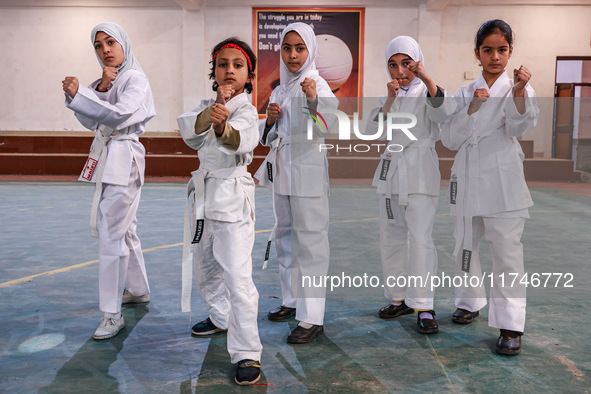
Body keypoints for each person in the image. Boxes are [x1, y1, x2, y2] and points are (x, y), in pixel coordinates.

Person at [441, 19, 539, 355]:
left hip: (502, 175)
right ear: (477, 53)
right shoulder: (465, 92)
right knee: (464, 245)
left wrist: (520, 92)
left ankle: (511, 325)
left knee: (507, 252)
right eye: (487, 50)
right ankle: (469, 301)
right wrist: (471, 108)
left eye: (501, 49)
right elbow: (449, 139)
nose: (494, 56)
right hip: (466, 174)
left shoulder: (519, 88)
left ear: (511, 51)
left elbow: (519, 127)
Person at [177, 37, 263, 385]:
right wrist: (211, 114)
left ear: (249, 74)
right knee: (206, 266)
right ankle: (220, 316)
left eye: (237, 65)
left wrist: (220, 124)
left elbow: (239, 140)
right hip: (203, 195)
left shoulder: (246, 111)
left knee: (237, 277)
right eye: (222, 64)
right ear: (213, 70)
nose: (229, 70)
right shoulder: (205, 105)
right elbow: (188, 132)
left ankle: (246, 352)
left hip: (232, 195)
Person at [62, 22, 155, 340]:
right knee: (124, 230)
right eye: (98, 45)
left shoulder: (135, 79)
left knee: (112, 235)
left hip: (123, 157)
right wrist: (95, 90)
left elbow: (119, 115)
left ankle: (111, 313)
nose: (105, 49)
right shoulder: (108, 80)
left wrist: (83, 94)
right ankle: (139, 290)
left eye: (110, 42)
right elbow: (90, 118)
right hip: (109, 158)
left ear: (124, 44)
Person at [365, 36, 455, 334]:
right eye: (393, 65)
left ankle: (424, 304)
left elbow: (444, 114)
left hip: (420, 173)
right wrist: (389, 99)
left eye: (406, 63)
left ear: (417, 62)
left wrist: (427, 78)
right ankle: (399, 298)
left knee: (420, 240)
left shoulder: (429, 92)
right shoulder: (387, 96)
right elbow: (372, 132)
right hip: (391, 173)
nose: (400, 71)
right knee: (390, 237)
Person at [255, 22, 338, 344]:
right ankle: (291, 300)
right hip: (283, 171)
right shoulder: (279, 89)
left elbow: (327, 127)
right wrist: (271, 121)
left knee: (311, 244)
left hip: (308, 170)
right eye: (287, 48)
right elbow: (269, 139)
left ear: (310, 51)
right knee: (285, 237)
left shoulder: (319, 84)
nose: (292, 55)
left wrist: (314, 101)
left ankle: (312, 317)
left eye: (299, 48)